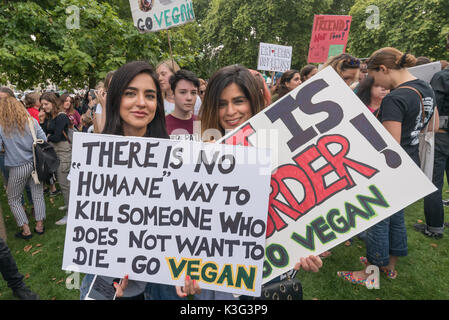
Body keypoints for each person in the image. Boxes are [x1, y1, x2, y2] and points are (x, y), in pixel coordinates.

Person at [198, 64, 323, 299]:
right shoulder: (203, 152)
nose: (230, 111)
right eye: (221, 104)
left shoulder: (280, 146)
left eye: (238, 101)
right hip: (219, 272)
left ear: (253, 101)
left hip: (269, 267)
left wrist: (307, 248)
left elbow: (300, 203)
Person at [79, 61, 198, 300]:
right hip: (110, 282)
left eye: (150, 95)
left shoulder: (177, 159)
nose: (141, 103)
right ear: (115, 99)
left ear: (158, 102)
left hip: (162, 281)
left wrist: (185, 271)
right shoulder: (93, 156)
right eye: (130, 93)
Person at [337, 47, 437, 285]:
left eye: (373, 76)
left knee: (377, 220)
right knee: (397, 218)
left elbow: (389, 148)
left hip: (392, 169)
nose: (374, 82)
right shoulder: (424, 88)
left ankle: (370, 273)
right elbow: (429, 126)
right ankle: (390, 266)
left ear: (383, 69)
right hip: (412, 162)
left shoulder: (395, 98)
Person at [0, 96, 47, 239]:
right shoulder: (31, 121)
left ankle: (25, 229)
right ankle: (40, 226)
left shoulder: (2, 127)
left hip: (17, 166)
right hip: (34, 163)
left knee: (13, 199)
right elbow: (43, 139)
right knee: (37, 194)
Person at [414, 52, 449, 238]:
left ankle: (434, 227)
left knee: (433, 181)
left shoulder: (442, 77)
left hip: (441, 135)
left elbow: (432, 107)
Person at [40, 92, 72, 225]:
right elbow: (44, 131)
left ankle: (70, 213)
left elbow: (57, 136)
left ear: (53, 103)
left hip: (64, 152)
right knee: (62, 181)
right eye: (42, 104)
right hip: (56, 152)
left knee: (65, 184)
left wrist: (48, 137)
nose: (43, 107)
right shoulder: (50, 117)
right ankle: (68, 204)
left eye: (46, 104)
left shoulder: (61, 117)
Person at [165, 69, 200, 140]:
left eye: (193, 93)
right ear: (172, 94)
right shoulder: (162, 125)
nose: (189, 98)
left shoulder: (200, 123)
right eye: (183, 92)